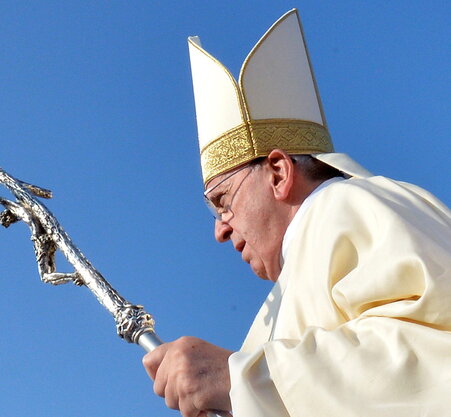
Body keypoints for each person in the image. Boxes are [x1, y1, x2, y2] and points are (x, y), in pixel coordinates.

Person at [142, 9, 451, 417]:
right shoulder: (272, 313)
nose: (219, 229)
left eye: (222, 201)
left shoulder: (346, 206)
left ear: (277, 172)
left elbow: (432, 363)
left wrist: (240, 380)